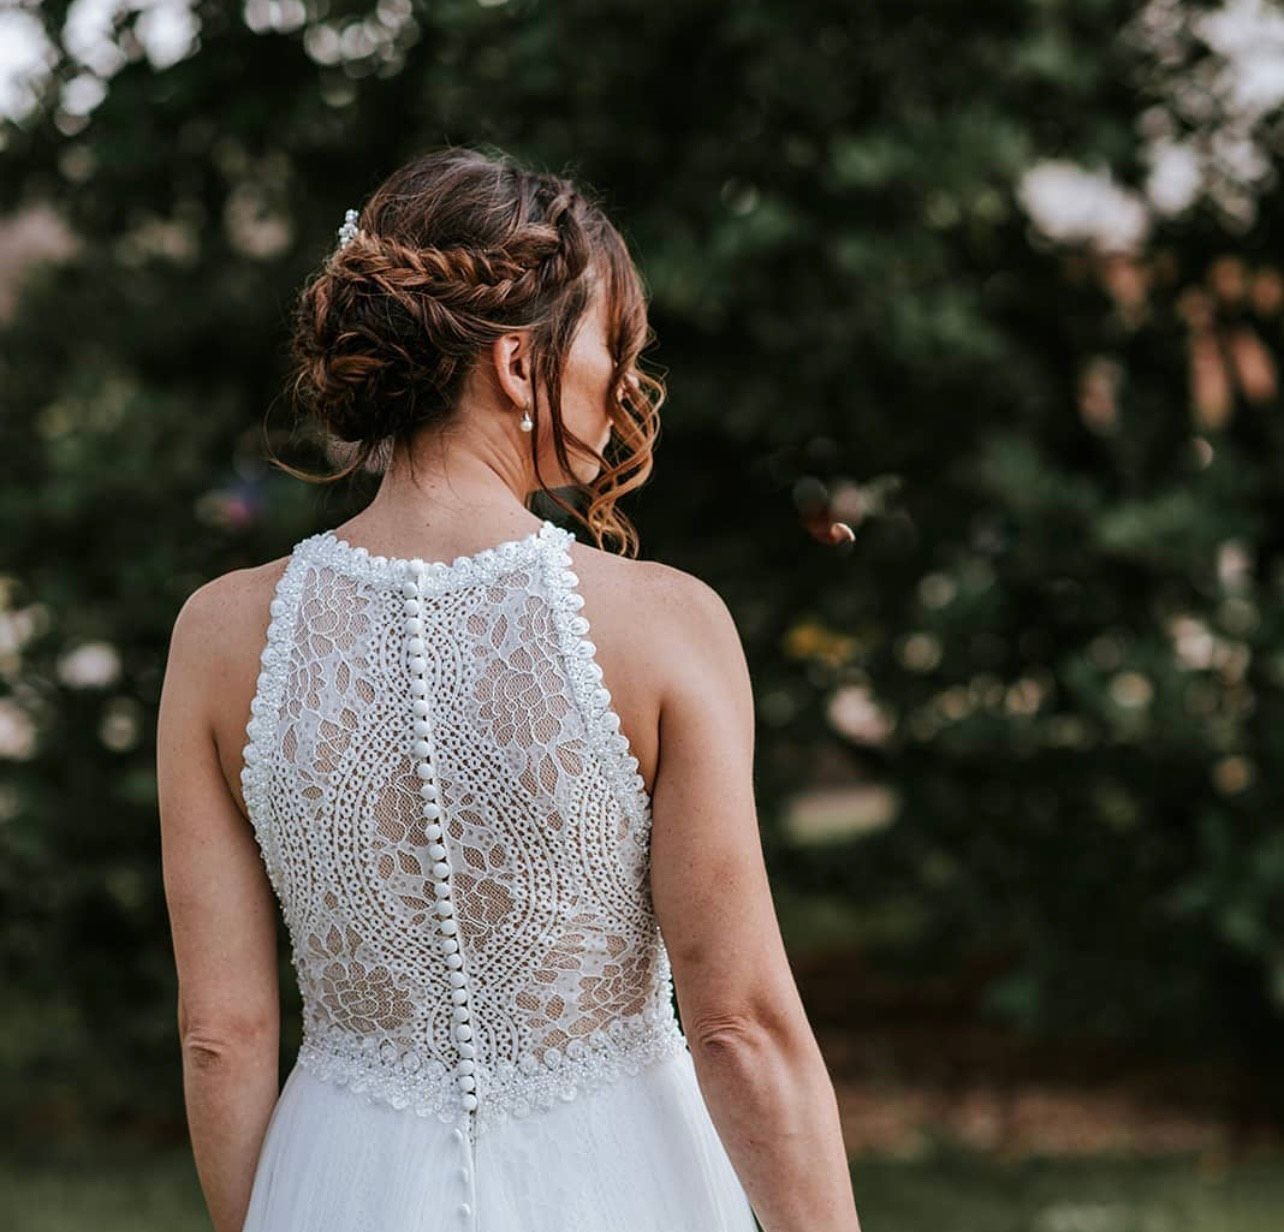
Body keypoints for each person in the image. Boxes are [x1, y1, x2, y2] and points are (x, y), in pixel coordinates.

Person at [156, 144, 862, 1232]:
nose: (628, 384)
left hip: (341, 1179)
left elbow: (222, 1035)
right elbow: (740, 1028)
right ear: (520, 363)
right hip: (619, 1179)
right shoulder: (665, 624)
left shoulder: (217, 636)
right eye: (612, 343)